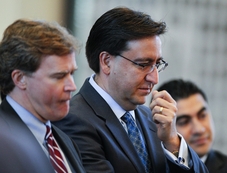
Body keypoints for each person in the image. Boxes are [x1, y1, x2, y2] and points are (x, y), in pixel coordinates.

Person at [53, 7, 208, 173]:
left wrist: (172, 141)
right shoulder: (73, 119)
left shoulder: (152, 118)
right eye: (143, 64)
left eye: (157, 64)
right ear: (106, 62)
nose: (154, 79)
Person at [0, 19, 85, 173]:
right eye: (59, 76)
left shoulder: (64, 141)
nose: (72, 86)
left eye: (72, 74)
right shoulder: (4, 141)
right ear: (20, 79)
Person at [157, 79, 227, 173]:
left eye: (203, 115)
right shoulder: (148, 168)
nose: (199, 129)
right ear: (160, 127)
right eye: (184, 122)